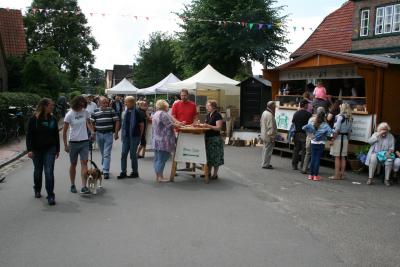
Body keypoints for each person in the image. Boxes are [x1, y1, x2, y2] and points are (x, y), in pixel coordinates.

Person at [26, 98, 60, 205]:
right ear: (45, 106)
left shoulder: (53, 119)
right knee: (38, 171)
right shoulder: (33, 119)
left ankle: (50, 195)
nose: (52, 107)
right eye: (51, 105)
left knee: (49, 172)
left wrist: (57, 149)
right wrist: (30, 150)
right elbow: (29, 136)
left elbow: (56, 135)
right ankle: (37, 189)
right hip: (36, 149)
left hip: (50, 148)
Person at [63, 96, 93, 194]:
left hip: (84, 141)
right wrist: (65, 145)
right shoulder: (69, 114)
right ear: (76, 103)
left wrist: (92, 132)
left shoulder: (85, 112)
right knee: (73, 164)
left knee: (84, 163)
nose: (82, 105)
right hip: (73, 142)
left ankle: (84, 186)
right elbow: (64, 131)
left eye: (83, 103)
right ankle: (72, 184)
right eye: (81, 103)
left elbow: (88, 123)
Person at [152, 100, 183, 182]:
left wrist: (178, 123)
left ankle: (158, 176)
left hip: (157, 139)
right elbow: (170, 124)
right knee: (162, 159)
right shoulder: (163, 114)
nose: (168, 108)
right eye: (167, 106)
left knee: (158, 159)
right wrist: (179, 124)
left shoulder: (156, 113)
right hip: (164, 140)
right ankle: (160, 177)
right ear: (165, 106)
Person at [90, 97, 120, 180]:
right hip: (99, 134)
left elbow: (117, 121)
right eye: (103, 103)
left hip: (108, 134)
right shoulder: (95, 111)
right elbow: (91, 122)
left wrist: (116, 133)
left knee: (106, 153)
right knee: (103, 153)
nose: (105, 104)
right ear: (99, 103)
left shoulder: (111, 110)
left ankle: (106, 171)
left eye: (106, 103)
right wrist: (93, 132)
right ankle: (104, 168)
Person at [118, 96, 144, 179]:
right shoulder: (125, 112)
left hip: (134, 136)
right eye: (125, 102)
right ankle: (123, 172)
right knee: (123, 154)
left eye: (127, 102)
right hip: (126, 136)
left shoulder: (137, 112)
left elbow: (142, 125)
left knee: (133, 155)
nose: (125, 103)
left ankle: (135, 172)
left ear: (132, 103)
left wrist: (140, 136)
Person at [303, 111, 334, 181]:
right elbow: (331, 133)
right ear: (324, 117)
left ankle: (310, 175)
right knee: (317, 159)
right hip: (321, 143)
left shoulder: (313, 123)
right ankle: (315, 176)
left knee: (313, 159)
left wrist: (310, 135)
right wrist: (326, 134)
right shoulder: (325, 125)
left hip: (313, 142)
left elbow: (304, 127)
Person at [172, 89, 197, 169]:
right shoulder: (176, 104)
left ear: (188, 95)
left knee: (189, 149)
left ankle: (188, 166)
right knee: (177, 150)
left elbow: (195, 116)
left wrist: (194, 123)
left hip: (190, 130)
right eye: (182, 95)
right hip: (178, 130)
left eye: (185, 95)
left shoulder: (193, 105)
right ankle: (174, 168)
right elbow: (173, 116)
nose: (183, 97)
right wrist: (178, 123)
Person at [329, 103, 353, 180]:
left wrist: (332, 139)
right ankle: (342, 174)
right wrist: (348, 140)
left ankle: (336, 175)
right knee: (343, 157)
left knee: (337, 157)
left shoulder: (339, 117)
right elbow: (350, 131)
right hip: (345, 138)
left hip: (338, 138)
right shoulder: (350, 118)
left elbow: (336, 130)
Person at [203, 100, 224, 179]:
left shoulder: (217, 115)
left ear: (213, 106)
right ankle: (208, 172)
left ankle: (215, 174)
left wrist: (208, 126)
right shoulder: (208, 115)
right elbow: (207, 125)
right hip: (208, 138)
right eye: (207, 106)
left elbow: (218, 128)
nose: (207, 107)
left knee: (215, 157)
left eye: (209, 106)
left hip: (215, 139)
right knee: (209, 157)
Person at [301, 107, 325, 174]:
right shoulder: (323, 121)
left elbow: (307, 128)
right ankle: (314, 170)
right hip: (318, 140)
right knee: (316, 155)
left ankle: (304, 169)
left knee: (308, 153)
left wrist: (309, 136)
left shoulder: (311, 119)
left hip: (309, 137)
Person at [291, 100, 312, 170]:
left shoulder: (296, 113)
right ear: (305, 105)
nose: (308, 106)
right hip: (304, 134)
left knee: (296, 149)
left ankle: (294, 165)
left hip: (296, 133)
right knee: (304, 150)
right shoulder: (309, 114)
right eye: (307, 104)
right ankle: (303, 166)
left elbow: (293, 123)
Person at [260, 101, 277, 169]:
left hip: (264, 134)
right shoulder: (270, 115)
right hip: (268, 136)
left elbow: (261, 123)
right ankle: (265, 164)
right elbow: (271, 127)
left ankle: (264, 163)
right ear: (271, 107)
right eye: (274, 106)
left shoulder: (264, 113)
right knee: (268, 151)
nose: (275, 107)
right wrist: (272, 137)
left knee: (265, 150)